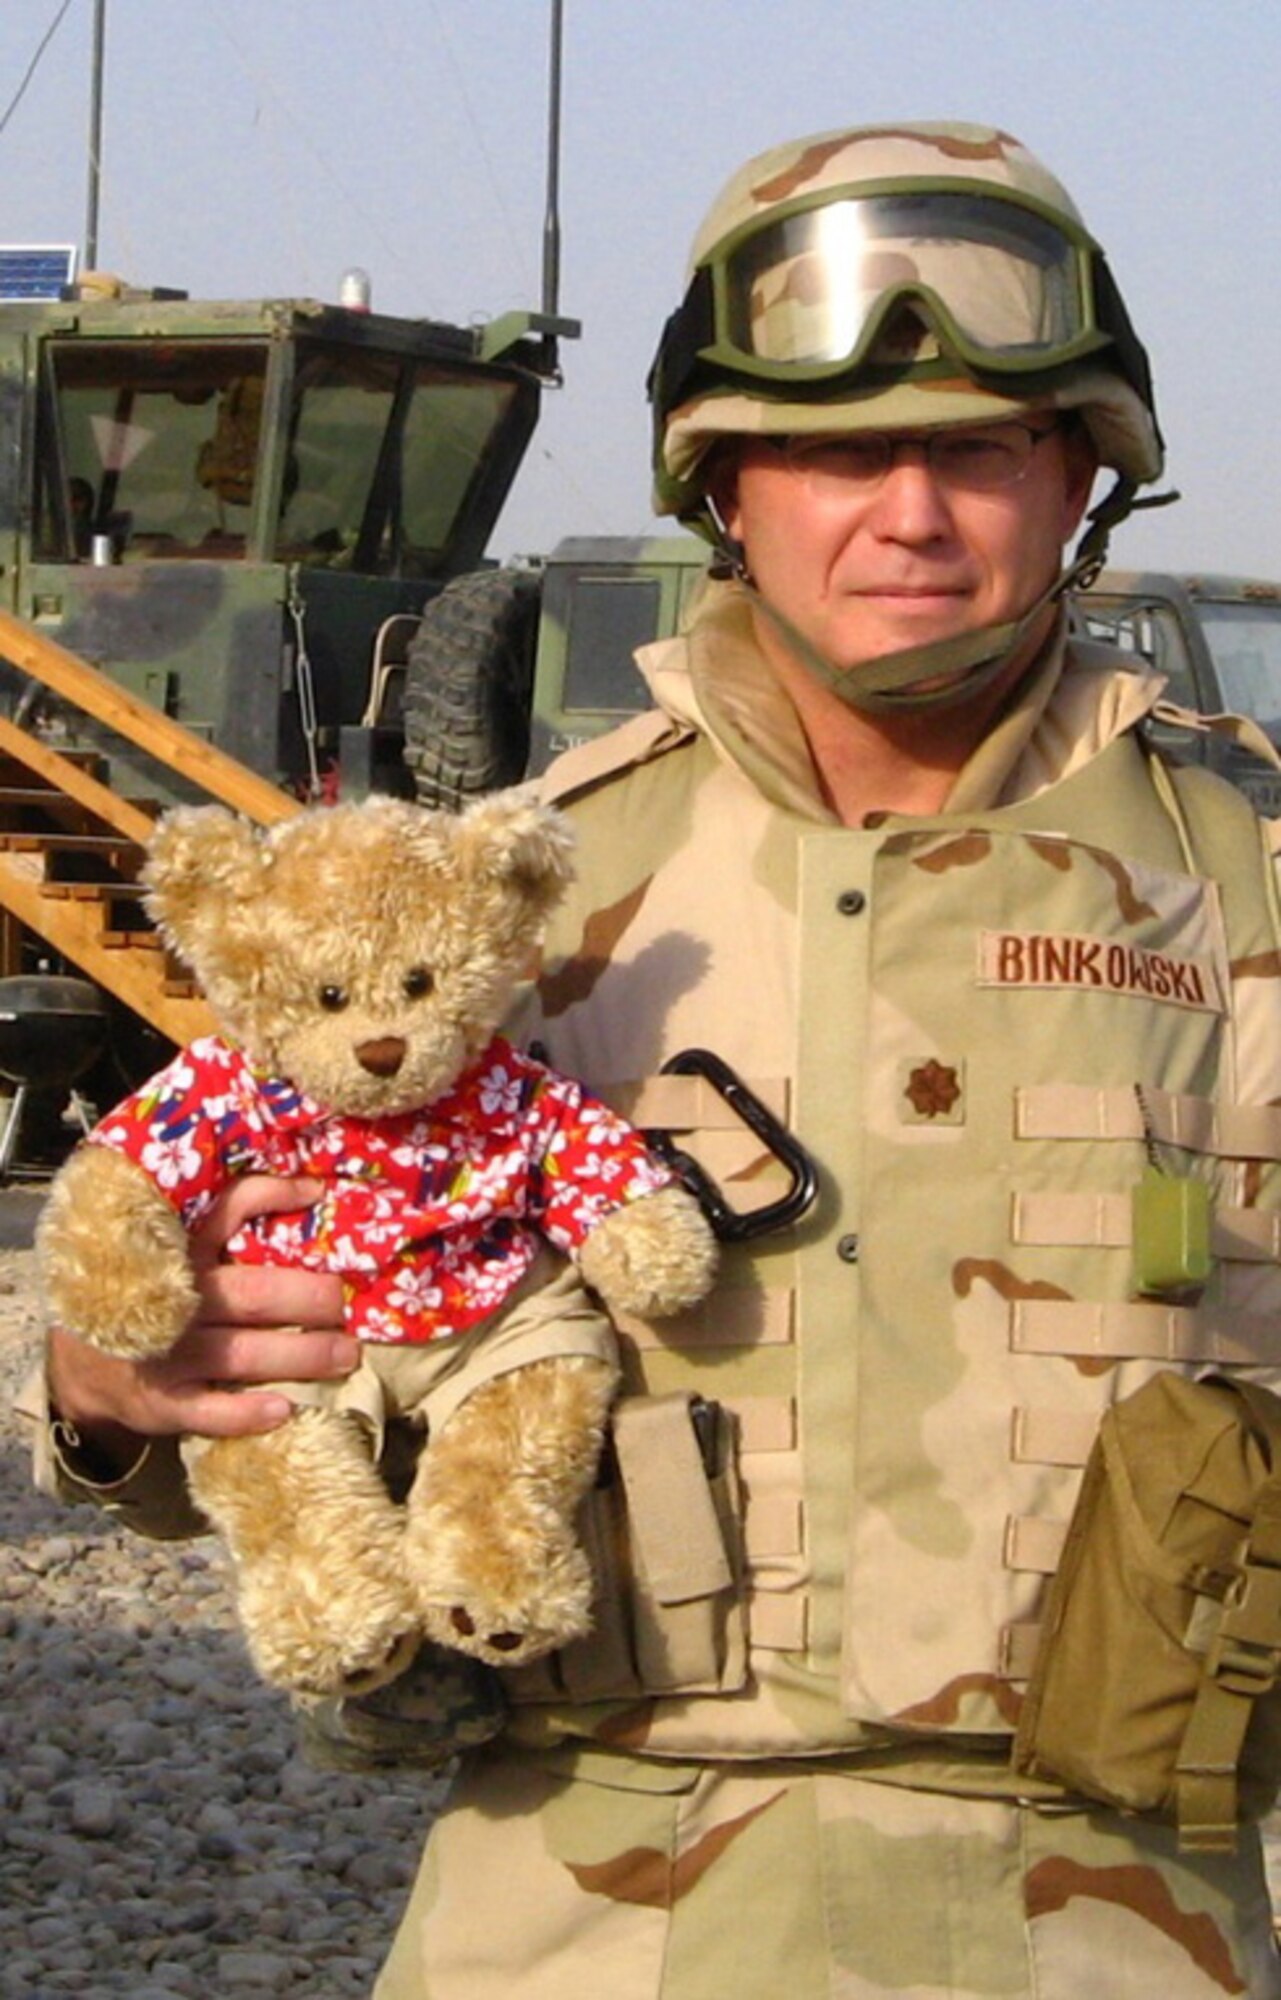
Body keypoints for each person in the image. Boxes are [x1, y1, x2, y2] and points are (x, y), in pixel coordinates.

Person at [27, 122, 1281, 1997]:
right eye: (839, 455)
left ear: (1084, 474)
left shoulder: (1243, 890)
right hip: (586, 1905)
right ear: (725, 489)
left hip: (1113, 1914)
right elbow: (206, 1347)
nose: (910, 515)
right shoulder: (508, 905)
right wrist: (116, 1386)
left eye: (982, 448)